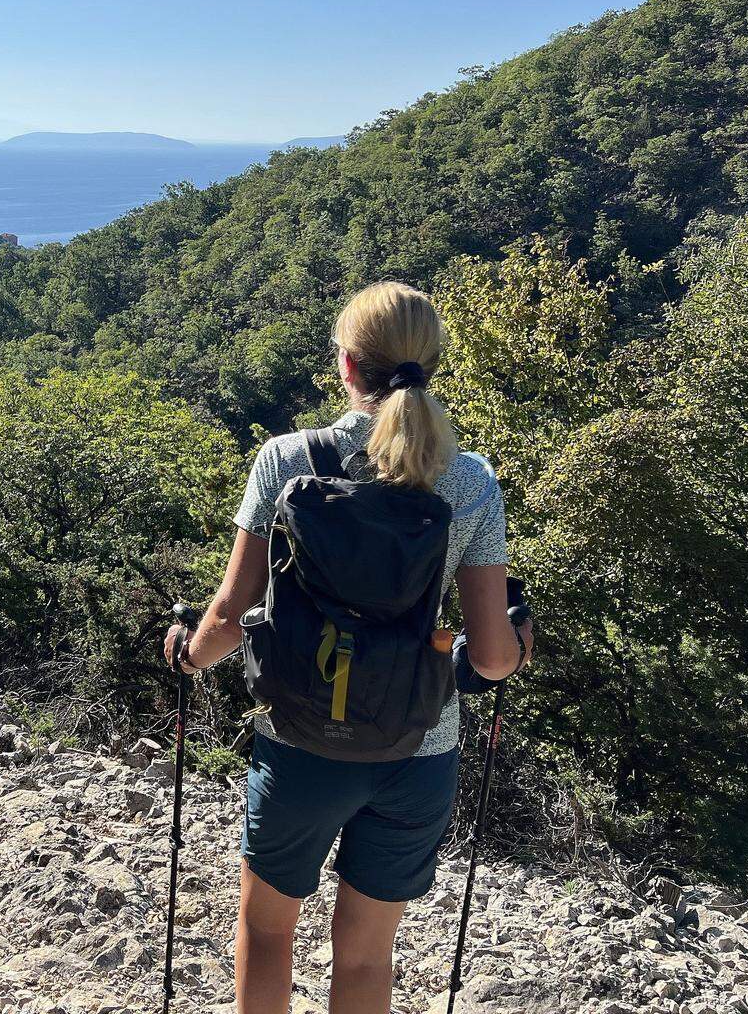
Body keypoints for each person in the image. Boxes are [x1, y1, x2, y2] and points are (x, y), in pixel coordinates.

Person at [162, 281, 533, 1014]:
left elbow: (231, 617)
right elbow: (491, 660)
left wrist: (186, 652)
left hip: (298, 741)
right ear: (431, 364)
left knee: (267, 933)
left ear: (346, 365)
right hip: (417, 752)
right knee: (365, 954)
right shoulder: (470, 481)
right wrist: (519, 638)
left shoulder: (285, 460)